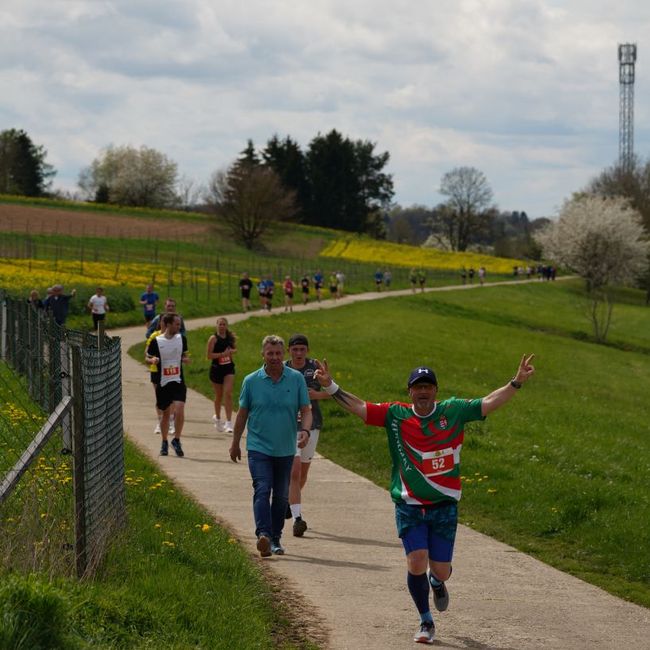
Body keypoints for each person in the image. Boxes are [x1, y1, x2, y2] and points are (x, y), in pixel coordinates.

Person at [313, 354, 535, 645]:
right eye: (417, 387)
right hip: (409, 505)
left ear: (436, 391)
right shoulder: (396, 415)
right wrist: (331, 387)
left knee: (440, 568)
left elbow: (489, 402)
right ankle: (425, 620)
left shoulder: (453, 411)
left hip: (444, 505)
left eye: (428, 386)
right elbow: (359, 407)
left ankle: (437, 580)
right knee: (416, 561)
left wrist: (516, 382)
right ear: (410, 392)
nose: (423, 391)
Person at [229, 335, 312, 557]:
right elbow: (243, 413)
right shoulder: (251, 381)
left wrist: (304, 430)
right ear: (263, 355)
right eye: (270, 353)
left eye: (278, 353)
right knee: (263, 488)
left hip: (285, 448)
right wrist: (235, 442)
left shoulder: (295, 379)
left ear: (283, 354)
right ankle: (263, 535)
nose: (274, 357)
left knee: (282, 496)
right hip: (258, 447)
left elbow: (306, 410)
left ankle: (276, 539)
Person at [285, 334, 330, 537]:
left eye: (302, 349)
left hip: (312, 424)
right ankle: (297, 517)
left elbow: (331, 392)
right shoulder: (283, 367)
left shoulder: (314, 368)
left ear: (307, 350)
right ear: (289, 351)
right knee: (294, 473)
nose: (299, 353)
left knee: (302, 473)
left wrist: (316, 394)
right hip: (289, 426)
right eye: (295, 349)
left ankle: (289, 502)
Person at [145, 313, 190, 457]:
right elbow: (147, 356)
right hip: (163, 381)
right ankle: (164, 441)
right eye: (177, 324)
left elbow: (183, 355)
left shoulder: (181, 339)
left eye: (180, 324)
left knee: (180, 408)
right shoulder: (157, 340)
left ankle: (176, 439)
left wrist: (185, 359)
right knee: (165, 413)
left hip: (178, 380)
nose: (179, 327)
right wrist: (152, 361)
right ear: (168, 324)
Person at [144, 316, 175, 435]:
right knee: (159, 397)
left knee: (170, 397)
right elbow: (146, 353)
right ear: (160, 323)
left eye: (168, 322)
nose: (165, 324)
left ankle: (171, 423)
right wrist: (152, 359)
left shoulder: (174, 337)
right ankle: (160, 422)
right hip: (156, 369)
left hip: (170, 370)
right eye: (163, 321)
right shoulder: (154, 336)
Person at [206, 317, 237, 433]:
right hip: (216, 369)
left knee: (228, 393)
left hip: (228, 368)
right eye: (220, 324)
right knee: (219, 396)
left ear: (227, 326)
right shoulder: (213, 339)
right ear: (216, 325)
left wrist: (231, 352)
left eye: (224, 324)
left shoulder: (230, 337)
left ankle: (229, 422)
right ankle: (218, 418)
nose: (222, 326)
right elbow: (209, 356)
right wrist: (222, 354)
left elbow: (234, 349)